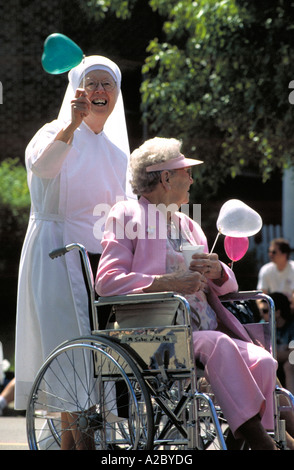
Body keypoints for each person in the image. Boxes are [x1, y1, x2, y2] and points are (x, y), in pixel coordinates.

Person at [96, 136, 282, 450]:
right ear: (165, 177)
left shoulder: (188, 224)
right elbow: (108, 280)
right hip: (156, 332)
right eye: (185, 171)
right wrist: (168, 282)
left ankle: (249, 443)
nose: (192, 179)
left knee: (263, 360)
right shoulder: (126, 215)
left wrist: (218, 271)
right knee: (220, 343)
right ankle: (261, 441)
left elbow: (226, 289)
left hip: (202, 328)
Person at [14, 55, 135, 448]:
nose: (100, 91)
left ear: (116, 93)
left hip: (101, 263)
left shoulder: (118, 152)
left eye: (108, 84)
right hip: (56, 254)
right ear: (77, 90)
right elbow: (45, 169)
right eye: (91, 84)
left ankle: (77, 444)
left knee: (94, 364)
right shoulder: (52, 130)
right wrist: (71, 125)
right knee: (70, 355)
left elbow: (127, 209)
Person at [259, 292, 294, 394]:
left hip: (286, 364)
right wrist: (284, 349)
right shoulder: (262, 326)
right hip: (272, 363)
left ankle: (291, 406)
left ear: (277, 312)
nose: (261, 314)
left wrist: (275, 353)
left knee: (289, 365)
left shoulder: (291, 327)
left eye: (265, 311)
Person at [257, 238, 294, 311]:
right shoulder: (266, 270)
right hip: (272, 311)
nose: (270, 254)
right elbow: (260, 295)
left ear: (284, 254)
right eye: (269, 251)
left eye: (273, 252)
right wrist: (264, 311)